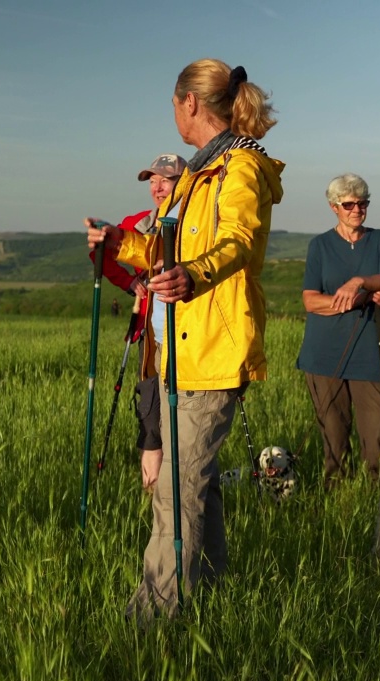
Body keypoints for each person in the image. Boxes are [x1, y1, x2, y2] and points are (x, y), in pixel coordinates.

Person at [85, 59, 283, 619]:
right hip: (182, 351)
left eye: (172, 105)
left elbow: (239, 240)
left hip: (215, 350)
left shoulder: (238, 167)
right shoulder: (198, 173)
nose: (172, 114)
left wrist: (194, 276)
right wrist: (118, 242)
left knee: (177, 489)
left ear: (189, 104)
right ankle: (214, 594)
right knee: (196, 481)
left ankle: (153, 613)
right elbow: (167, 255)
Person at [89, 152, 188, 491]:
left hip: (191, 338)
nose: (158, 188)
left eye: (167, 180)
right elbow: (100, 252)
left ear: (184, 182)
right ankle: (151, 495)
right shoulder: (139, 221)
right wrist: (131, 283)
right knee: (151, 416)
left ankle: (176, 495)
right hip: (151, 333)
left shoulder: (197, 225)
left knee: (186, 426)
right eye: (153, 181)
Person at [296, 173, 380, 485]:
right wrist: (361, 299)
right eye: (349, 204)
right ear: (334, 207)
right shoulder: (319, 246)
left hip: (369, 354)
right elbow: (311, 302)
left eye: (363, 203)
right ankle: (337, 503)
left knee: (379, 440)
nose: (357, 209)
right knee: (334, 442)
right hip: (322, 356)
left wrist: (360, 282)